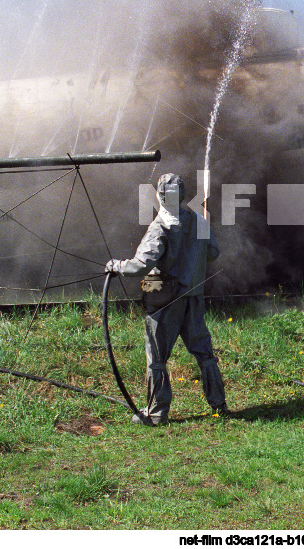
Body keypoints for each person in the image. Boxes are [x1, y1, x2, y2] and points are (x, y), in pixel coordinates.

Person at [105, 173, 226, 425]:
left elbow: (141, 265)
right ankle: (219, 404)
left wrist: (116, 266)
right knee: (204, 353)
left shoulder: (160, 226)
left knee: (157, 357)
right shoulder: (198, 221)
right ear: (182, 195)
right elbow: (213, 253)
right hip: (194, 298)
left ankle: (157, 413)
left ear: (160, 196)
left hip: (167, 303)